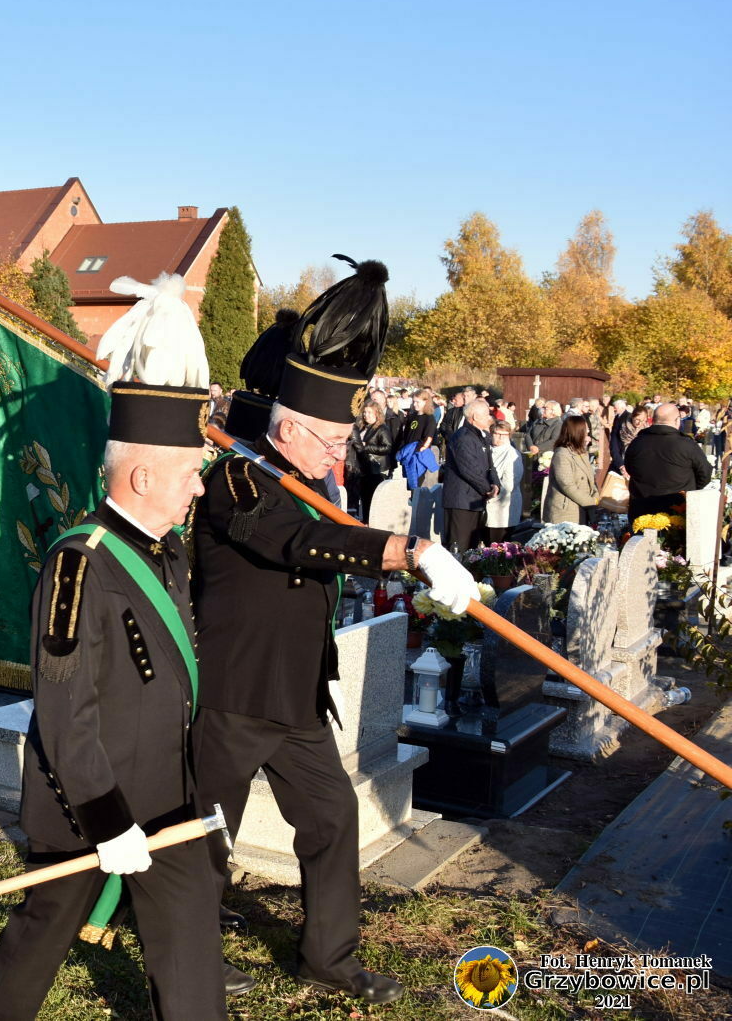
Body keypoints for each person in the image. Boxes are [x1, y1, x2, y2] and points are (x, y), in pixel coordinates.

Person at [200, 257, 479, 1005]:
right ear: (288, 427)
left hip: (296, 696)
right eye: (327, 441)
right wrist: (410, 551)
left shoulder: (304, 477)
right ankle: (191, 950)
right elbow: (298, 542)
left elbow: (331, 536)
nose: (337, 455)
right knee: (205, 832)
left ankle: (328, 955)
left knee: (331, 817)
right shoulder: (236, 480)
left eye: (341, 442)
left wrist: (410, 559)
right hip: (231, 692)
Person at [0, 382, 229, 1021]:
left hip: (167, 797)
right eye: (190, 474)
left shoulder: (168, 547)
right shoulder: (78, 566)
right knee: (41, 936)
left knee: (190, 936)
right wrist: (108, 823)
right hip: (89, 804)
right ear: (142, 476)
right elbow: (65, 713)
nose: (199, 488)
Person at [624, 402, 712, 522]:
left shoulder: (637, 443)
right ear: (677, 420)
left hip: (643, 509)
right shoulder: (686, 444)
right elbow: (705, 473)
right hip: (676, 513)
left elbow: (629, 468)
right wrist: (689, 490)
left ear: (653, 420)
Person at [441, 399, 500, 550]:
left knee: (472, 549)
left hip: (475, 499)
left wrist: (495, 484)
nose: (489, 417)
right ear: (475, 417)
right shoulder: (462, 437)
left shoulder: (482, 436)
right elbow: (469, 469)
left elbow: (490, 465)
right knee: (459, 547)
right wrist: (487, 488)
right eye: (486, 414)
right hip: (461, 501)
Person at [543, 415, 599, 525]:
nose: (588, 432)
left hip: (583, 508)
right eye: (586, 429)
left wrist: (596, 495)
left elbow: (590, 479)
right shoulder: (562, 454)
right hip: (566, 511)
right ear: (577, 432)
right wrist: (590, 501)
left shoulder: (582, 452)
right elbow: (567, 485)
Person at [347, 401, 393, 521]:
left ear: (377, 413)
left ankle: (371, 522)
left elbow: (387, 447)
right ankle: (366, 520)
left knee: (372, 498)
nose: (365, 415)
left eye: (369, 412)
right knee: (365, 497)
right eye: (365, 412)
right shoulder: (364, 427)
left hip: (377, 468)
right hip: (365, 468)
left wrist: (366, 446)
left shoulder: (382, 428)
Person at [484, 420, 524, 541]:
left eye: (505, 434)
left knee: (498, 544)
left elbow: (509, 484)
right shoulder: (486, 449)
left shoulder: (512, 454)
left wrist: (490, 493)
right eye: (497, 434)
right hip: (485, 505)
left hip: (502, 507)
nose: (500, 437)